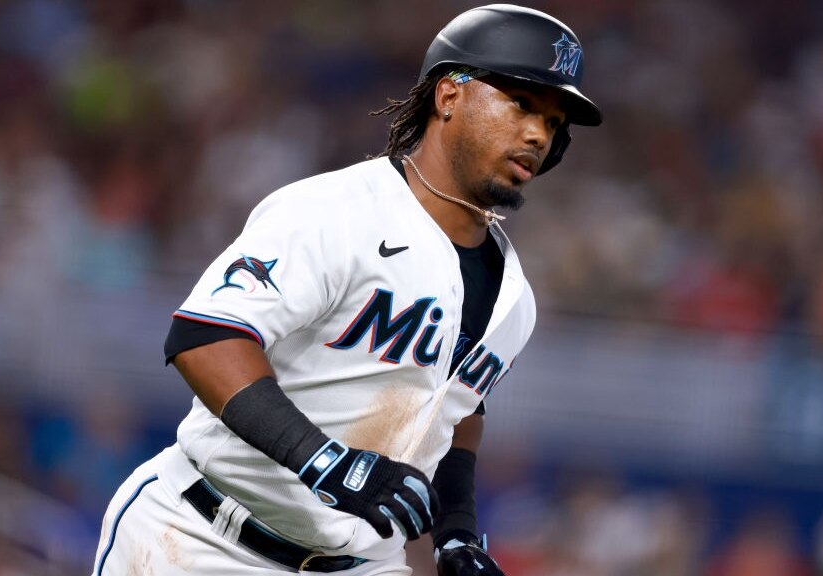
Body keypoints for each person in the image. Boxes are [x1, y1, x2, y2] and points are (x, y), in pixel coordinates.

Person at [91, 4, 602, 575]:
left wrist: (456, 534)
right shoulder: (336, 212)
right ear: (449, 95)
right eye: (522, 103)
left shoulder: (516, 298)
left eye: (554, 123)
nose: (537, 133)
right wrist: (327, 462)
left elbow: (456, 412)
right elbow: (205, 338)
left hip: (361, 562)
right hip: (202, 537)